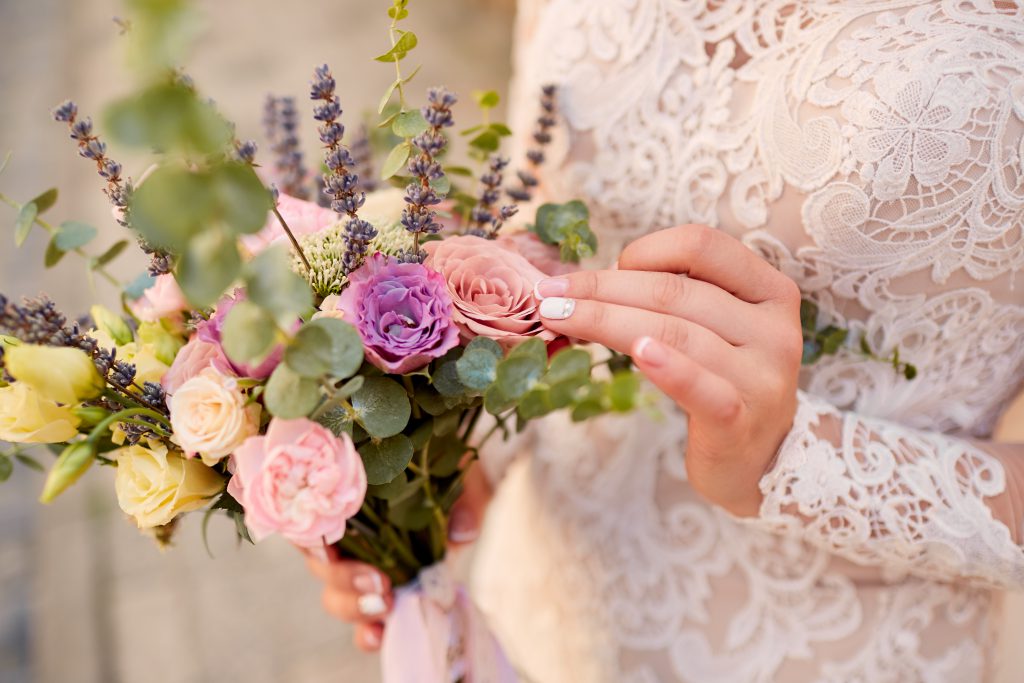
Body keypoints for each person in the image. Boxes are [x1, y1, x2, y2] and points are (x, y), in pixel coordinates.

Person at [303, 1, 1024, 679]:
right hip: (539, 607)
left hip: (838, 645)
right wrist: (447, 455)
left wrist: (799, 465)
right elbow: (547, 220)